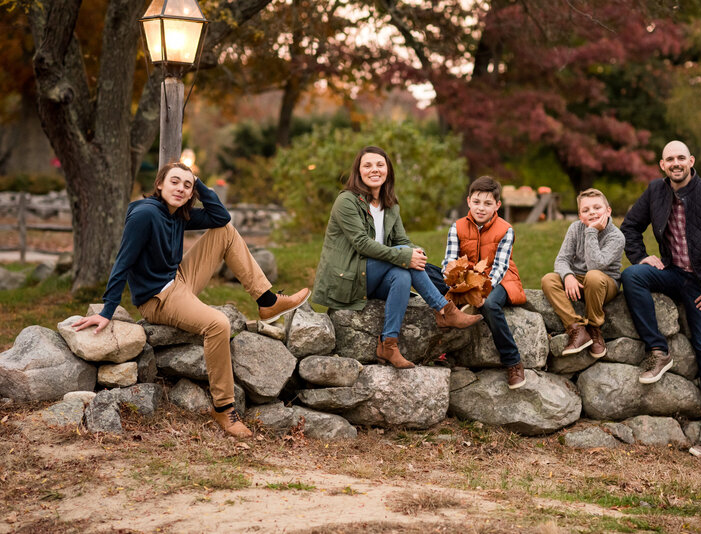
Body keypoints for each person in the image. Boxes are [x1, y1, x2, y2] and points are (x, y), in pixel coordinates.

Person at [73, 162, 310, 438]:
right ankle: (224, 408)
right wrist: (107, 310)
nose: (181, 188)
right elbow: (122, 263)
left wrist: (198, 185)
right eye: (174, 182)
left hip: (180, 279)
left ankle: (267, 300)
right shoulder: (145, 215)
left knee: (226, 232)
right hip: (158, 298)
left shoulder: (178, 214)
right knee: (218, 324)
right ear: (159, 184)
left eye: (187, 185)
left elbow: (221, 217)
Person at [620, 140, 701, 458]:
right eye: (669, 159)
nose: (676, 163)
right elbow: (630, 227)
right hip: (673, 273)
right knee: (632, 276)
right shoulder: (655, 191)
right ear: (662, 165)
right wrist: (641, 257)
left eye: (681, 158)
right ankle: (658, 350)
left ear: (691, 161)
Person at [311, 146, 481, 369]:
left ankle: (388, 345)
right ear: (358, 171)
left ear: (388, 171)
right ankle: (444, 310)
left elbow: (402, 240)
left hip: (375, 276)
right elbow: (362, 244)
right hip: (349, 277)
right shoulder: (347, 202)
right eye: (368, 165)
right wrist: (405, 255)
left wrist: (415, 251)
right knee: (403, 261)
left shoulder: (390, 204)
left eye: (380, 165)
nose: (375, 169)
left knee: (402, 272)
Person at [436, 176, 529, 389]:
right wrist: (454, 282)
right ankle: (441, 352)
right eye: (477, 202)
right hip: (467, 278)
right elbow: (449, 260)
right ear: (469, 201)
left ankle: (513, 361)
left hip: (500, 280)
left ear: (497, 205)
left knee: (489, 305)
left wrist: (482, 291)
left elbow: (500, 267)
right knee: (430, 278)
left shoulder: (506, 229)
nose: (481, 208)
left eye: (487, 203)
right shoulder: (457, 227)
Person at [541, 188, 625, 359]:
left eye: (597, 208)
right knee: (548, 279)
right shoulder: (575, 228)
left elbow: (596, 265)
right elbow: (562, 260)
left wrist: (592, 232)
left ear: (608, 211)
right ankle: (577, 329)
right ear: (580, 216)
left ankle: (594, 328)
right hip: (579, 281)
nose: (592, 212)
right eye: (586, 210)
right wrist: (568, 276)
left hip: (604, 283)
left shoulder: (616, 237)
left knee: (592, 276)